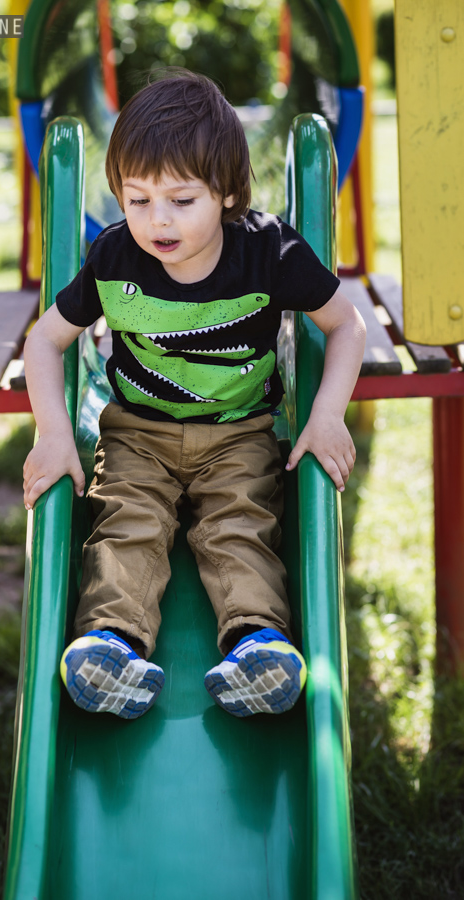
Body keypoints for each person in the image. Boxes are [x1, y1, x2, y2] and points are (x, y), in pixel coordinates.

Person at [22, 69, 366, 721]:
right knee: (127, 523)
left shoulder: (269, 252)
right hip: (137, 434)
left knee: (237, 525)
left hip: (239, 434)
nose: (158, 221)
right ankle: (111, 648)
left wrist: (325, 416)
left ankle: (257, 647)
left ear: (227, 193)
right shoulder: (115, 257)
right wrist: (52, 433)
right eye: (138, 199)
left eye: (181, 200)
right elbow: (45, 341)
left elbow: (345, 325)